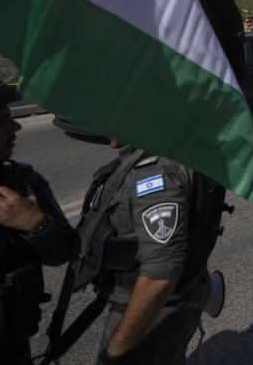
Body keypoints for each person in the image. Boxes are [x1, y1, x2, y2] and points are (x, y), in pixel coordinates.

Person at [55, 137, 226, 364]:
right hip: (171, 299)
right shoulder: (157, 156)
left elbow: (161, 275)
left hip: (152, 308)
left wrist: (116, 351)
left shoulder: (156, 173)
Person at [0, 72, 76, 365]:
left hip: (2, 349)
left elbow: (64, 252)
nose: (16, 126)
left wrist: (36, 225)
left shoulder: (21, 184)